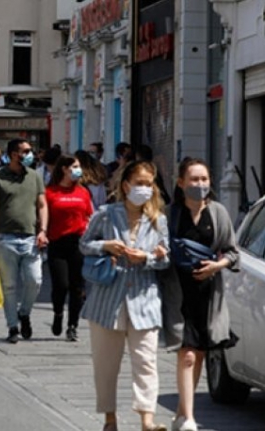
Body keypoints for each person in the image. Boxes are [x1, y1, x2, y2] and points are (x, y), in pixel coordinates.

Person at [79, 160, 169, 431]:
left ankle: (147, 420)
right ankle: (110, 418)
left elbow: (165, 259)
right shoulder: (106, 214)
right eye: (139, 183)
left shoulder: (158, 220)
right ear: (126, 184)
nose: (144, 189)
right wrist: (106, 246)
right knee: (106, 365)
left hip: (145, 300)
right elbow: (84, 245)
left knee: (146, 362)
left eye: (149, 184)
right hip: (108, 300)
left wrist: (148, 258)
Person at [162, 158, 239, 431]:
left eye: (204, 179)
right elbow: (158, 250)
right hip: (178, 293)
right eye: (194, 180)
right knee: (188, 355)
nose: (200, 185)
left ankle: (182, 414)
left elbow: (232, 252)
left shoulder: (217, 212)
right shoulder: (169, 214)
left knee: (198, 355)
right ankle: (189, 419)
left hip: (208, 296)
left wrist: (216, 266)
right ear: (181, 183)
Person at [0, 138, 48, 343]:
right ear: (13, 154)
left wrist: (43, 230)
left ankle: (24, 312)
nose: (31, 154)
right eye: (26, 151)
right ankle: (12, 327)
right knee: (9, 286)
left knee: (34, 280)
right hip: (5, 238)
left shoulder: (35, 177)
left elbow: (42, 205)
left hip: (30, 238)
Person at [45, 156, 93, 341]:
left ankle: (73, 326)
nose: (78, 169)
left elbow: (89, 215)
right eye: (75, 166)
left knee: (77, 287)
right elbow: (43, 216)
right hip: (57, 243)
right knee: (61, 285)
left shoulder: (83, 192)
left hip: (78, 243)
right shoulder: (50, 192)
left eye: (79, 166)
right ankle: (58, 313)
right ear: (64, 169)